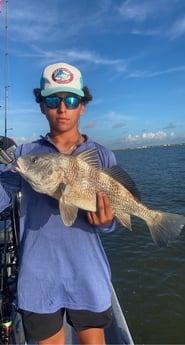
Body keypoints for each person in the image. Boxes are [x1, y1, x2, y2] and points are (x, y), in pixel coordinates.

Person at [0, 62, 117, 344]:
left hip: (88, 275)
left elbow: (111, 221)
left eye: (71, 100)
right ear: (42, 106)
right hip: (39, 278)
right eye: (52, 100)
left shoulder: (103, 157)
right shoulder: (27, 156)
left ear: (82, 106)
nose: (62, 108)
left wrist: (108, 222)